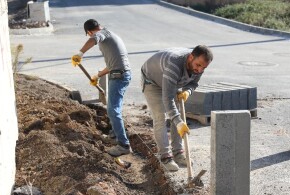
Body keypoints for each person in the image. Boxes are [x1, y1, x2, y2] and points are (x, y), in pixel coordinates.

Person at [141, 45, 213, 171]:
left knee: (177, 114)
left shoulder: (199, 65)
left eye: (203, 68)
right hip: (152, 81)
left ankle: (178, 153)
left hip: (172, 82)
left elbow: (193, 83)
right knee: (160, 116)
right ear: (191, 57)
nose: (199, 70)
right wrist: (179, 123)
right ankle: (165, 157)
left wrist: (187, 92)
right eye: (198, 65)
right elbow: (167, 99)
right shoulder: (174, 65)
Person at [71, 19, 132, 156]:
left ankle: (124, 145)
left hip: (119, 76)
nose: (90, 37)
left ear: (89, 31)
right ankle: (114, 135)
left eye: (89, 35)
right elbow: (112, 64)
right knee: (113, 108)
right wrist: (97, 75)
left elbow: (95, 38)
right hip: (118, 73)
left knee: (112, 110)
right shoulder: (111, 36)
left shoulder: (102, 34)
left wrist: (80, 53)